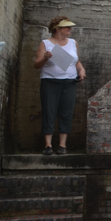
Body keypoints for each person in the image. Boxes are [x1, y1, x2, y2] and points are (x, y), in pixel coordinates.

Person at [33, 16, 85, 155]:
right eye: (67, 27)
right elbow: (36, 65)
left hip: (69, 82)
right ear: (58, 29)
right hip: (50, 82)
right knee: (49, 111)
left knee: (66, 112)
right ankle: (48, 145)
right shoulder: (46, 43)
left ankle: (62, 145)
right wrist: (45, 57)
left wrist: (81, 69)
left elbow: (76, 61)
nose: (70, 29)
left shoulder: (73, 43)